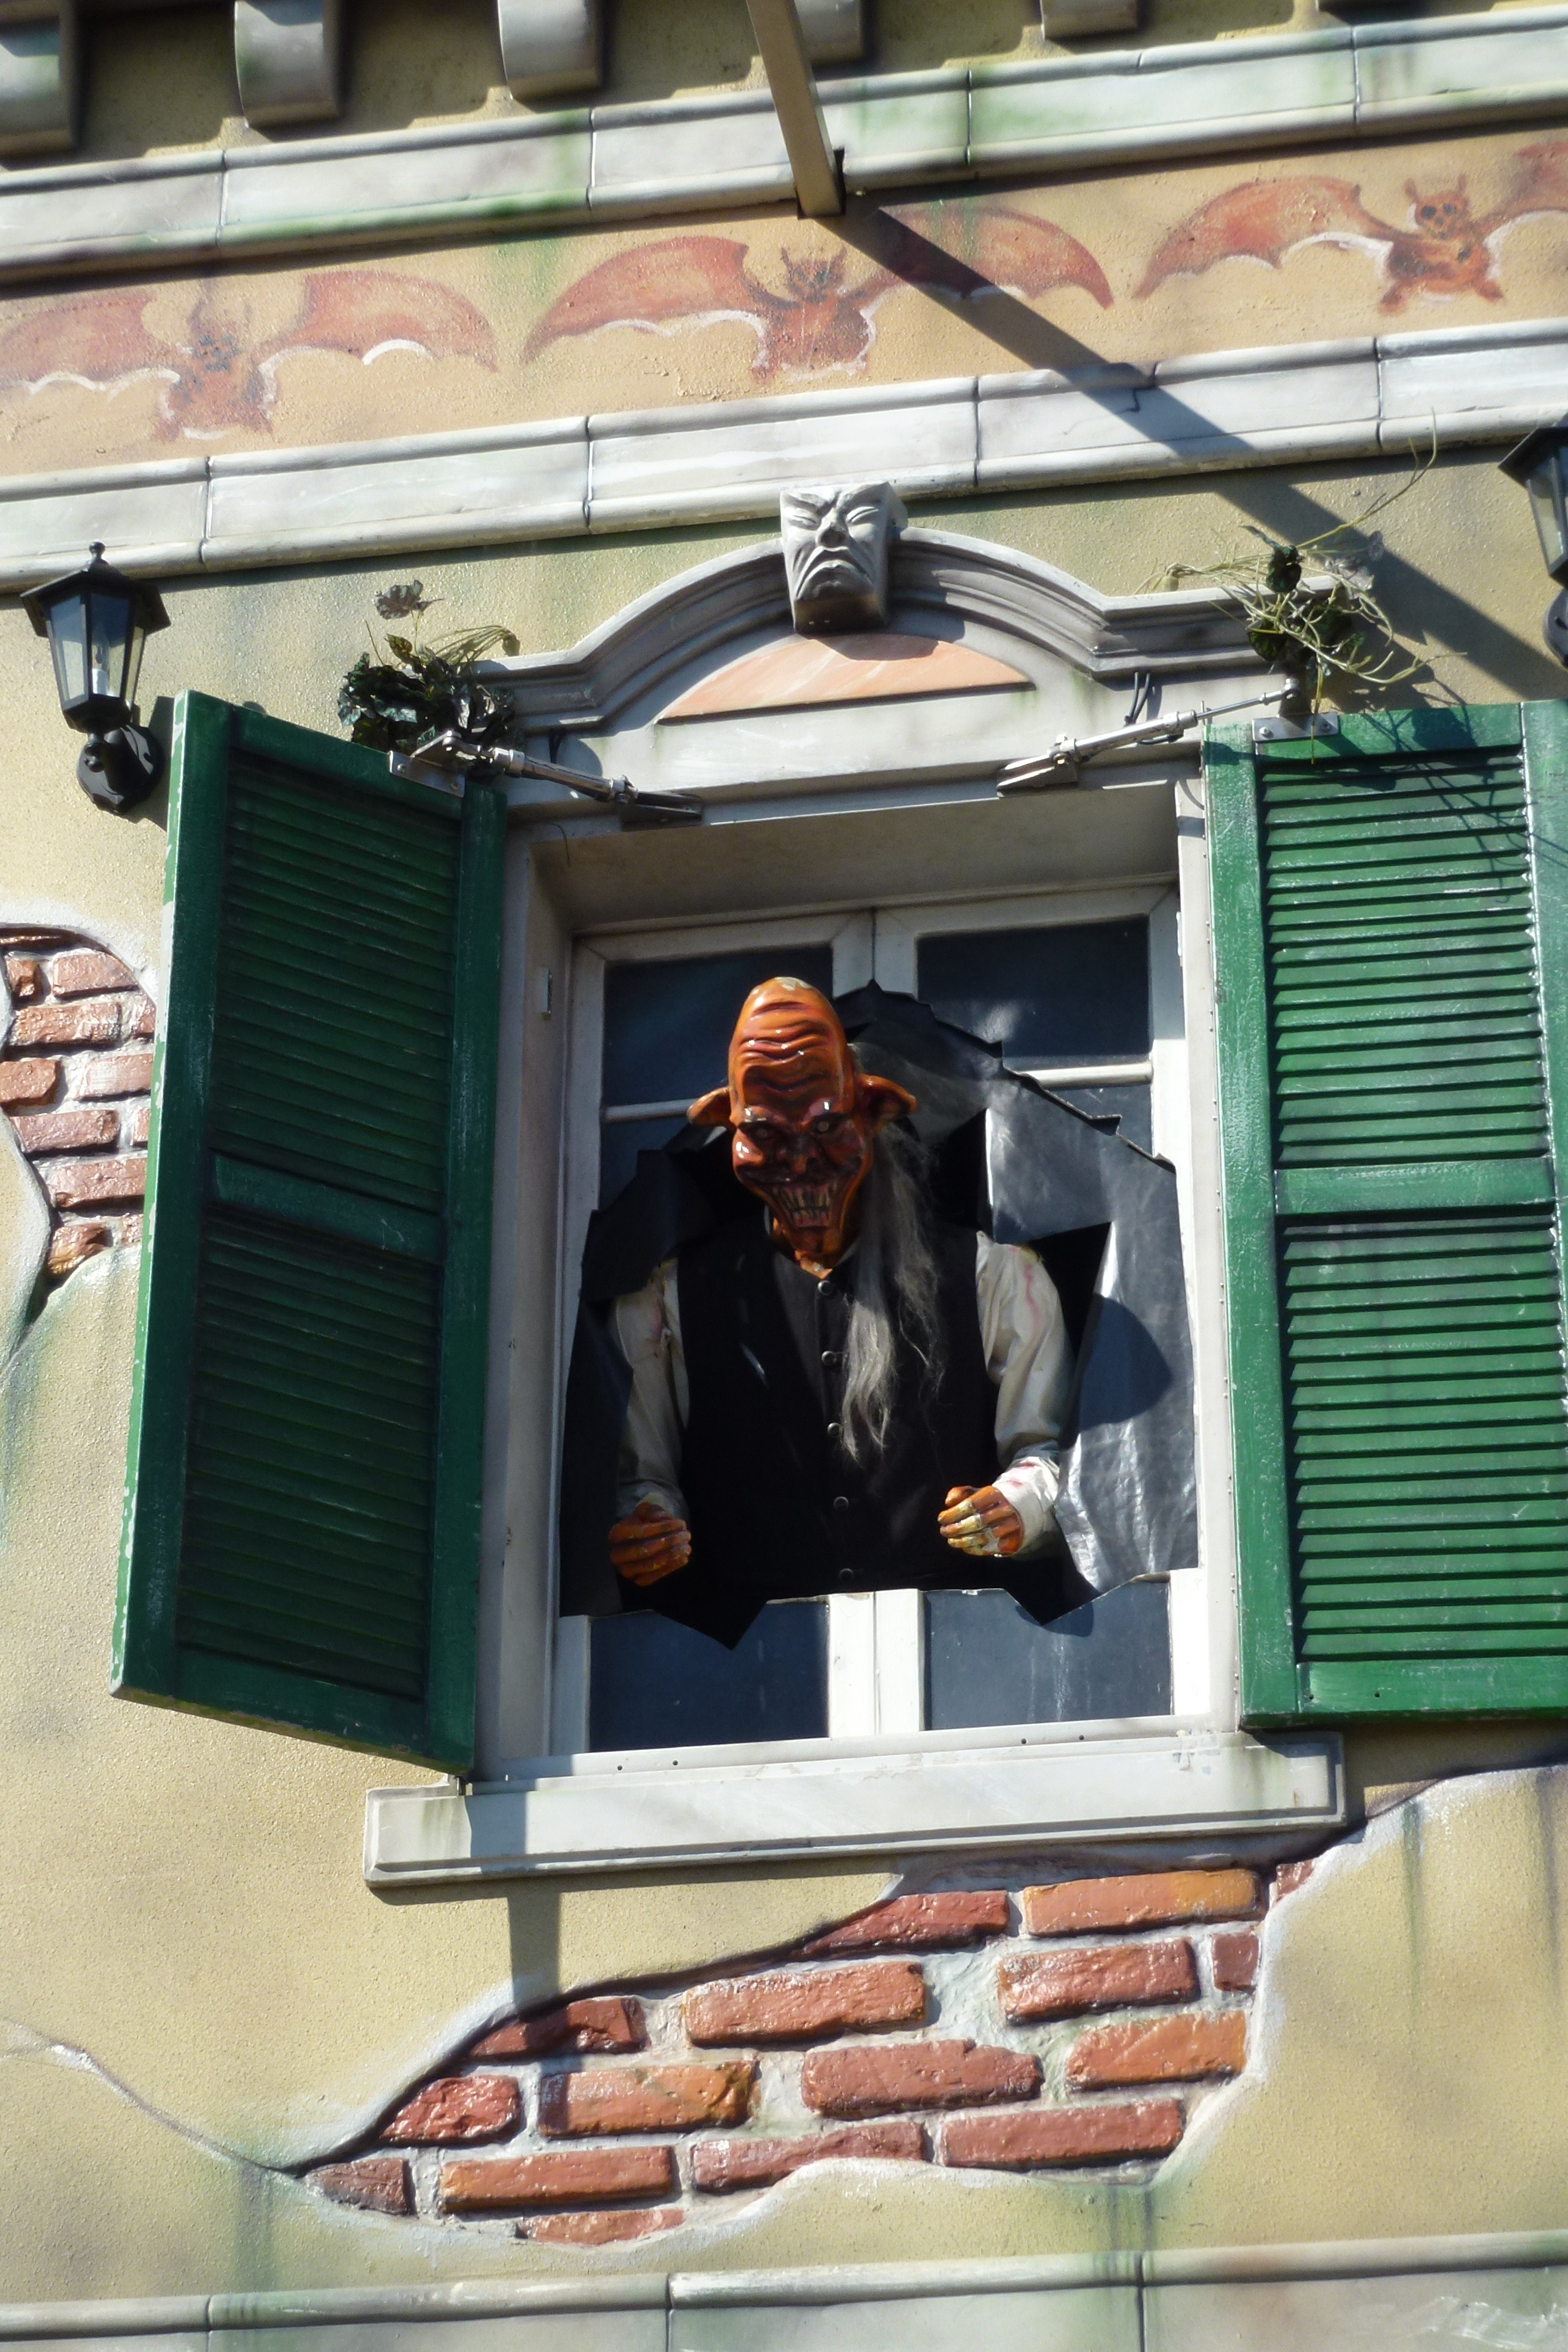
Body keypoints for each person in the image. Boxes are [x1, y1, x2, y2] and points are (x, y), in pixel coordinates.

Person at [605, 977, 1072, 1635]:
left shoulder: (991, 1276)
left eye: (826, 1128)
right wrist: (647, 1528)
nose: (799, 1164)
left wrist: (1016, 1507)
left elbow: (1055, 1456)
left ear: (872, 1115)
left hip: (953, 1649)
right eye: (766, 1135)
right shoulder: (669, 1299)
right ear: (729, 1130)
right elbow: (641, 1478)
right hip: (759, 1671)